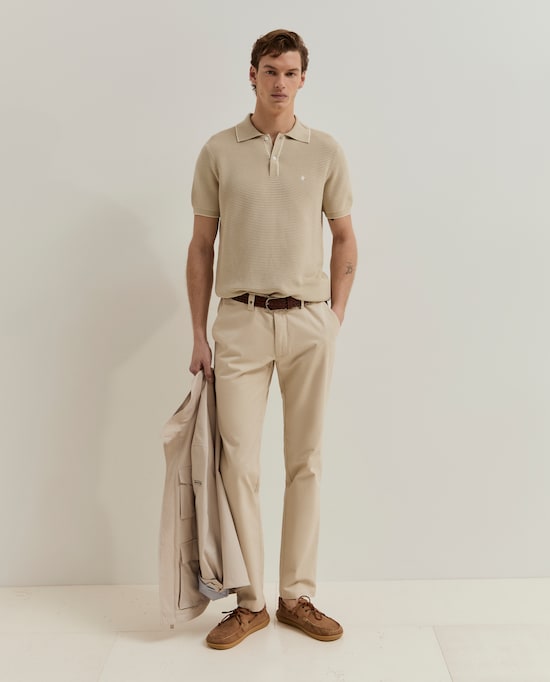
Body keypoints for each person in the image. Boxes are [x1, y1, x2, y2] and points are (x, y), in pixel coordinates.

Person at [186, 28, 357, 650]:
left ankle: (296, 595)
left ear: (302, 79)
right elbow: (201, 246)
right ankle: (250, 601)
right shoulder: (218, 150)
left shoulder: (326, 151)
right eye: (269, 71)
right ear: (252, 74)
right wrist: (198, 333)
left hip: (309, 321)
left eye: (289, 72)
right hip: (239, 320)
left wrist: (334, 317)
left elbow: (345, 237)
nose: (279, 82)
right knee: (238, 463)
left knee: (305, 460)